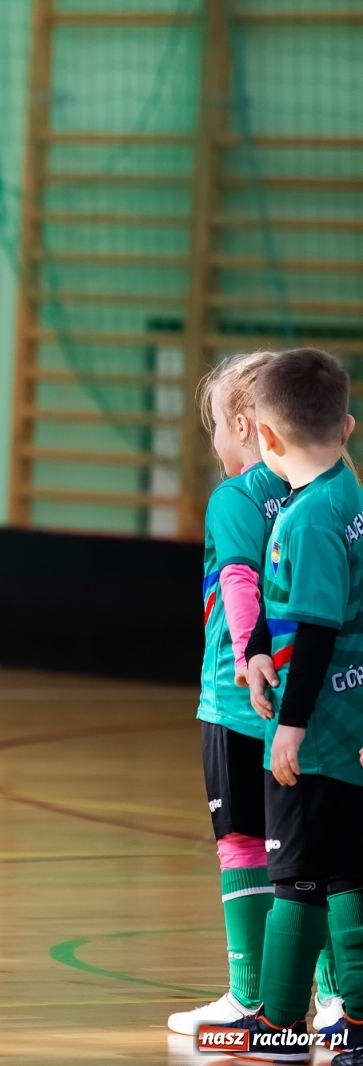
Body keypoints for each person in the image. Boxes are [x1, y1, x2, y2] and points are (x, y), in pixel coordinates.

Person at [168, 352, 343, 1036]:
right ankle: (328, 995)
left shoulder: (236, 498)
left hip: (240, 700)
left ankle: (249, 993)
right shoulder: (322, 489)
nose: (213, 440)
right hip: (311, 701)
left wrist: (248, 656)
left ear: (245, 427)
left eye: (213, 424)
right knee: (307, 852)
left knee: (241, 842)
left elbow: (238, 579)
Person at [226, 348, 363, 1060]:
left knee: (299, 871)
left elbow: (315, 629)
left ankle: (279, 1020)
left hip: (320, 723)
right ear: (345, 426)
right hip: (350, 713)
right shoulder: (347, 493)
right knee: (343, 864)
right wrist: (254, 652)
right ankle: (357, 1022)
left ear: (267, 439)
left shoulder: (308, 519)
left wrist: (290, 729)